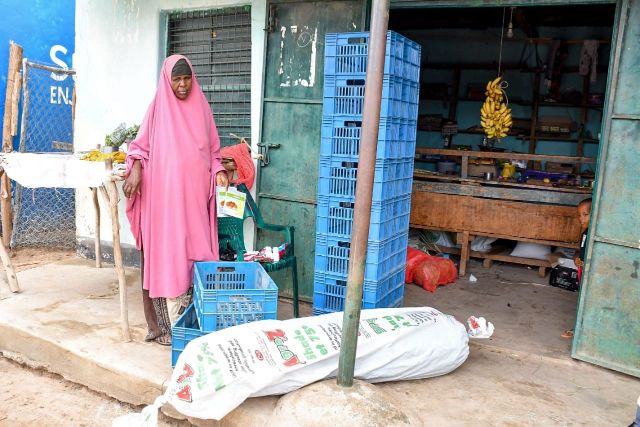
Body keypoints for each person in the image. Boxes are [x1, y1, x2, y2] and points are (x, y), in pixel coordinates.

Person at [123, 55, 229, 345]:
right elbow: (139, 148)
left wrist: (219, 171)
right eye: (176, 79)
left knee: (196, 253)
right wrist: (134, 170)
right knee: (164, 255)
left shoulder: (203, 109)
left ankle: (191, 320)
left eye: (187, 79)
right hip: (163, 202)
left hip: (194, 201)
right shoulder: (157, 109)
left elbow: (215, 152)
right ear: (167, 80)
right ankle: (163, 327)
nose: (182, 85)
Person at [561, 197, 592, 339]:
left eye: (585, 215)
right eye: (579, 215)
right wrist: (576, 258)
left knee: (589, 302)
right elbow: (579, 251)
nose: (581, 219)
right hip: (583, 271)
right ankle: (578, 328)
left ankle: (580, 331)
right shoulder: (585, 233)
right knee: (582, 301)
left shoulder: (596, 235)